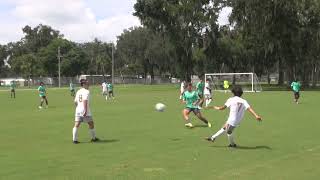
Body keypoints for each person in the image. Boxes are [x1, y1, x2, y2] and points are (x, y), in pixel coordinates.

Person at [72, 79, 100, 144]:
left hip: (78, 110)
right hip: (85, 110)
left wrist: (78, 108)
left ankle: (74, 140)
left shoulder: (78, 91)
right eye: (87, 84)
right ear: (83, 84)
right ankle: (93, 138)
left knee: (76, 124)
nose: (88, 85)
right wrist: (85, 110)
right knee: (91, 124)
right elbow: (85, 100)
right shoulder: (87, 91)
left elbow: (75, 102)